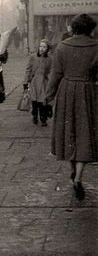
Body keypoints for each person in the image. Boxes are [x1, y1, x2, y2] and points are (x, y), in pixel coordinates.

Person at [45, 13, 97, 201]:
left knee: (69, 131)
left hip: (67, 91)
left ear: (73, 27)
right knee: (85, 133)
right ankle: (78, 177)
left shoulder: (62, 47)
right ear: (91, 28)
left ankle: (73, 169)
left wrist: (48, 97)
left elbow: (55, 75)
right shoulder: (96, 46)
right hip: (88, 91)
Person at [23, 39, 53, 126]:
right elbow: (28, 69)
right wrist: (25, 82)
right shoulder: (33, 57)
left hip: (44, 82)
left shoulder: (50, 58)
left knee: (43, 101)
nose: (42, 49)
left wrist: (51, 81)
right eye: (40, 46)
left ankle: (43, 118)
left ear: (47, 48)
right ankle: (35, 115)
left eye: (44, 47)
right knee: (34, 101)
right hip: (34, 82)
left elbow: (51, 70)